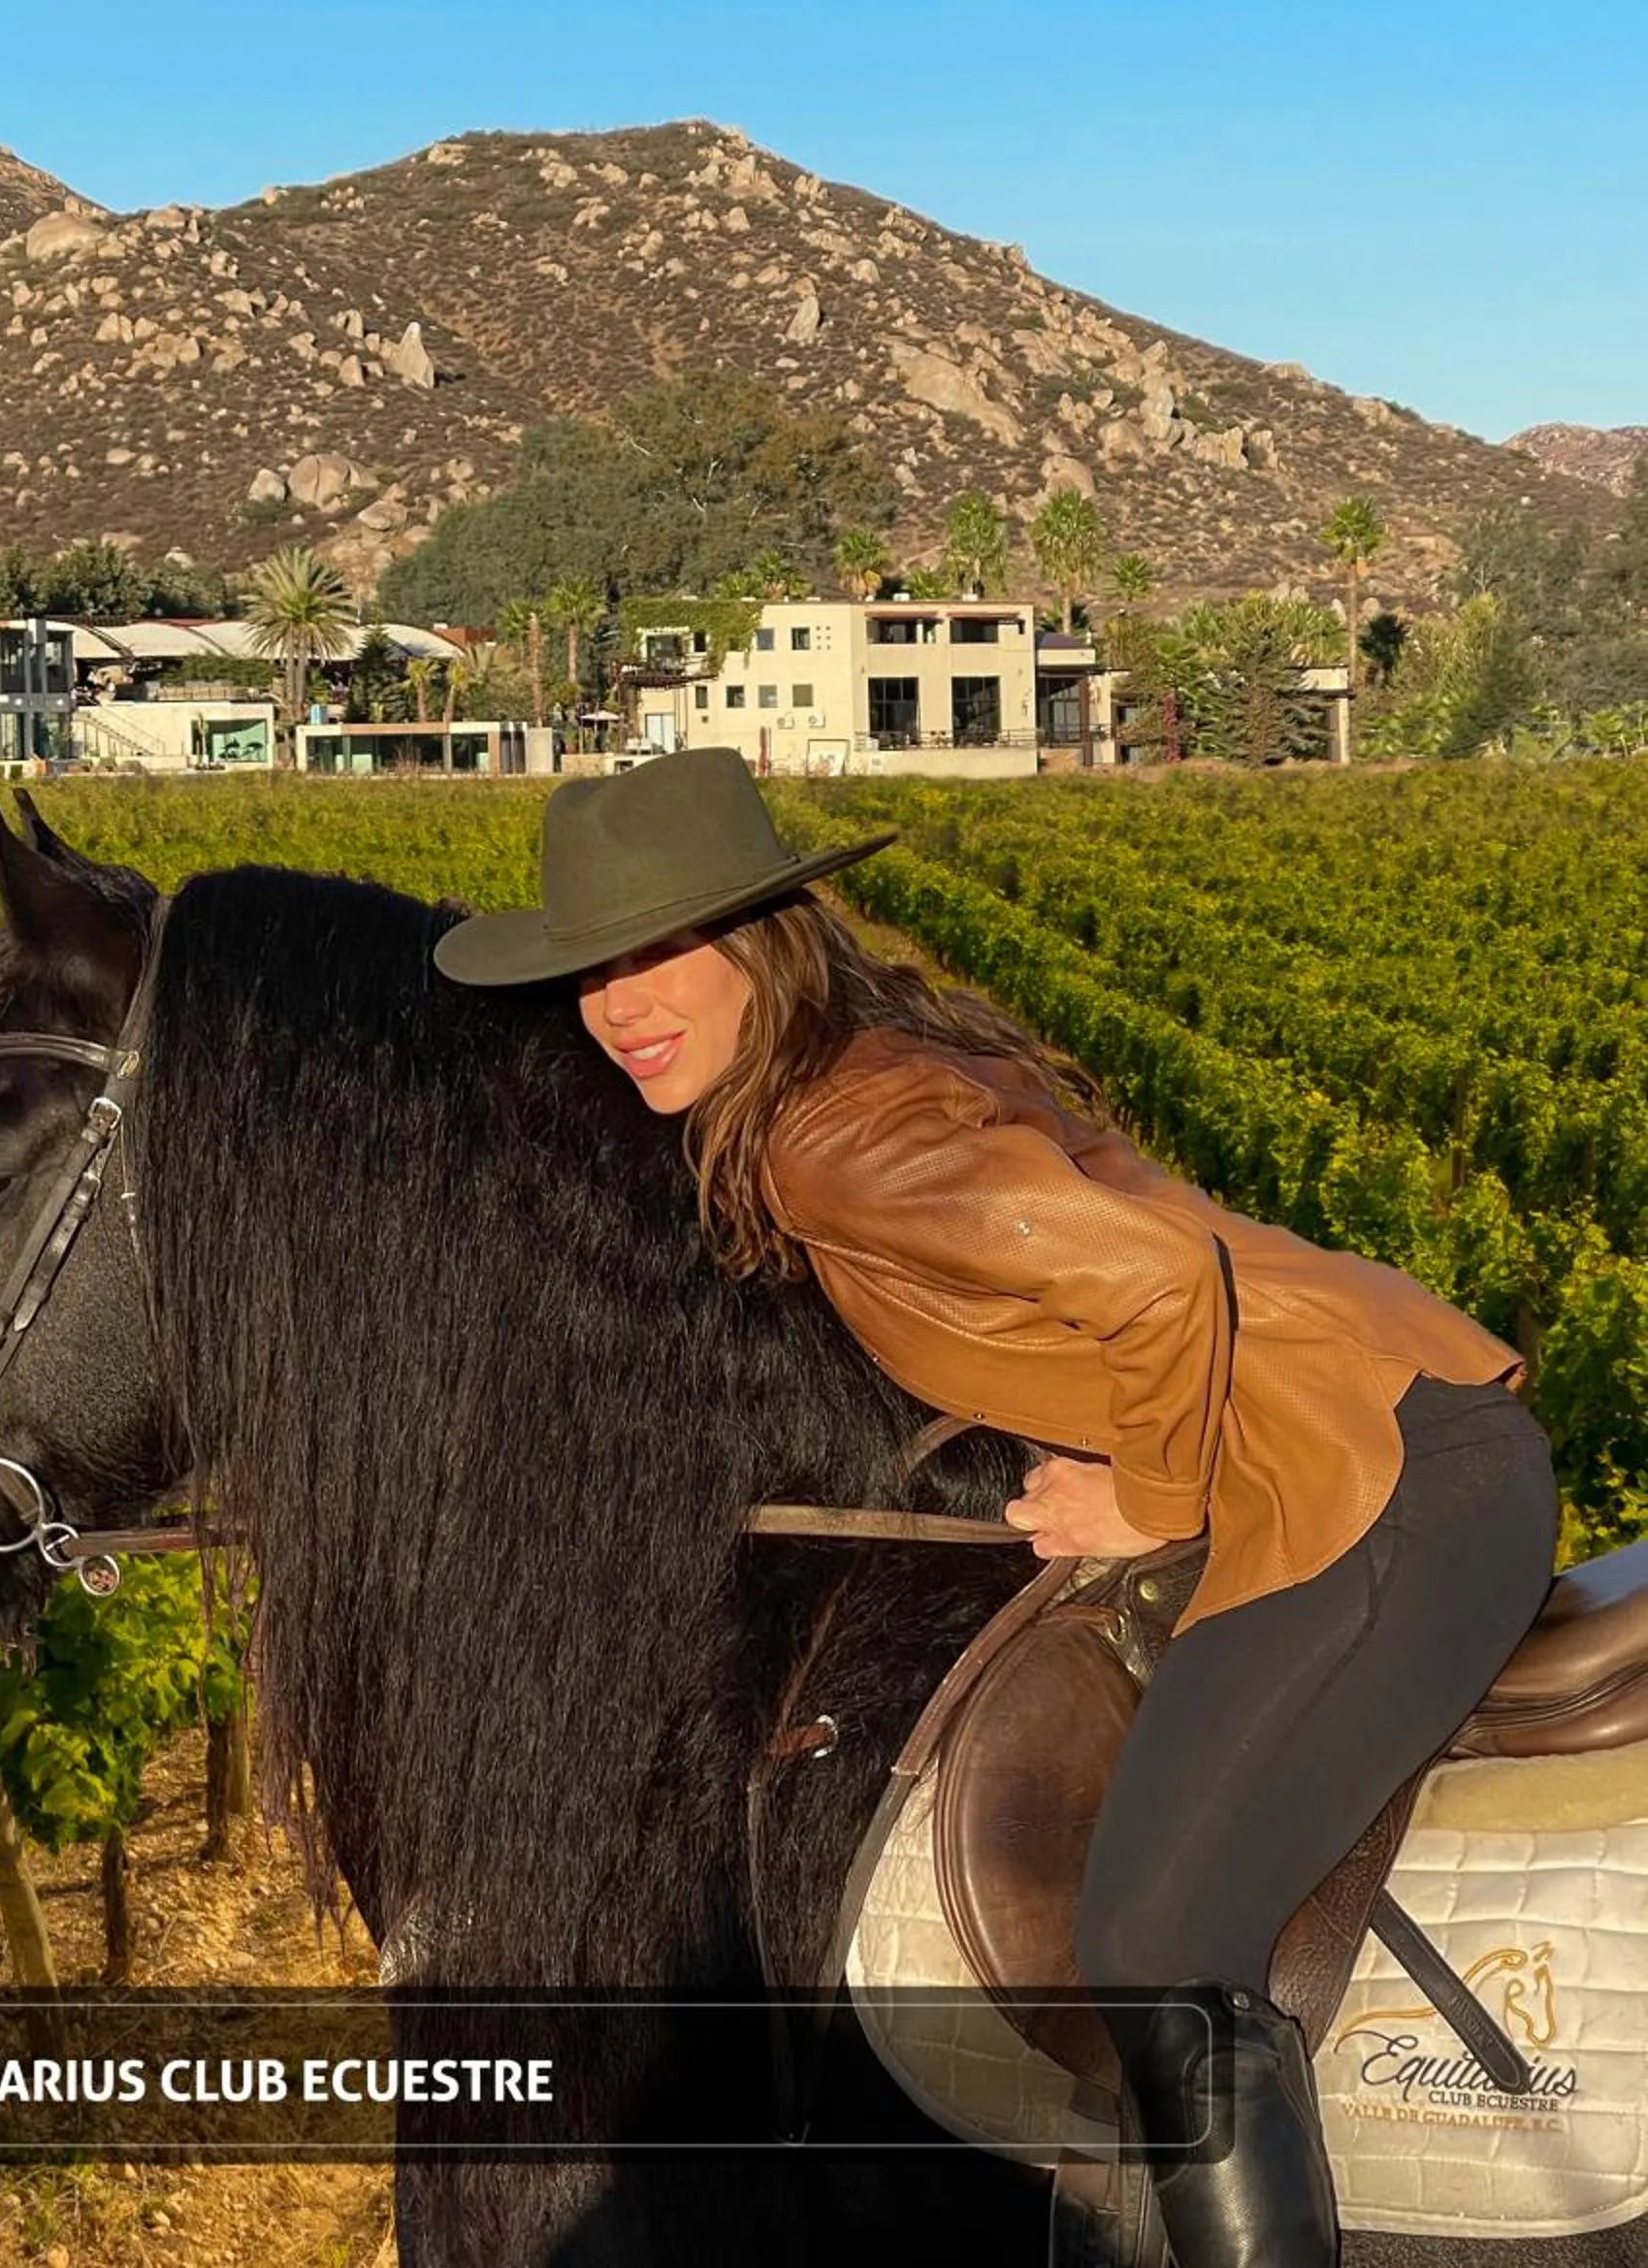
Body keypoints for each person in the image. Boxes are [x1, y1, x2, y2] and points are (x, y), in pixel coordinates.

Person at [433, 748, 1562, 2268]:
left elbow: (1162, 1282)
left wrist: (1144, 1494)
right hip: (1369, 1424)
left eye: (660, 950)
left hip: (1379, 1472)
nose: (621, 1004)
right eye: (592, 970)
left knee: (1157, 1940)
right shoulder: (851, 1074)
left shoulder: (829, 1137)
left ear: (758, 936)